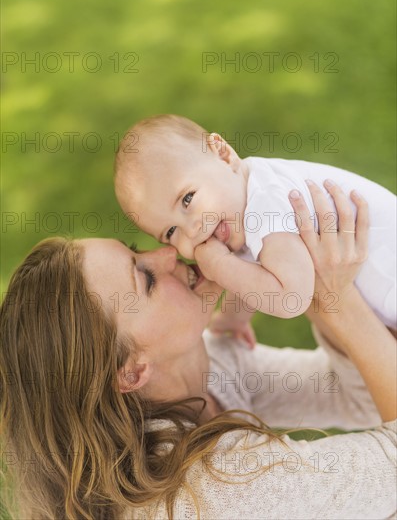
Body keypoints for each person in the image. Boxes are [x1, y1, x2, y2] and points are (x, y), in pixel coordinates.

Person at [0, 183, 395, 519]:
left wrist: (303, 279)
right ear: (132, 372)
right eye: (146, 278)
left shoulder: (204, 364)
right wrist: (337, 301)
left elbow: (354, 395)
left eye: (136, 250)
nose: (168, 254)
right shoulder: (215, 490)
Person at [114, 114, 397, 350]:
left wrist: (220, 266)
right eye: (171, 231)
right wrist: (233, 319)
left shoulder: (266, 201)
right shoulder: (238, 203)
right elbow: (254, 272)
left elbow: (290, 298)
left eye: (188, 199)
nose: (193, 231)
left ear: (224, 156)